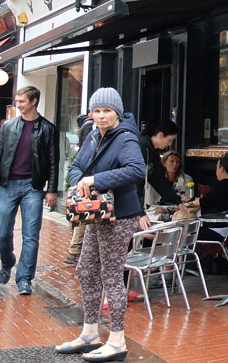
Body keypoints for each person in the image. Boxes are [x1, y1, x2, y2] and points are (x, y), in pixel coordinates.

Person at [56, 87, 147, 362]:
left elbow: (137, 170)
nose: (101, 115)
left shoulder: (126, 137)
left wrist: (96, 180)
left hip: (119, 216)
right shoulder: (94, 135)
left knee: (111, 276)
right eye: (96, 110)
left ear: (117, 112)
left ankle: (117, 340)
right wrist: (80, 180)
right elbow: (76, 166)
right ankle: (90, 333)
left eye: (107, 110)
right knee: (85, 269)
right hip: (97, 214)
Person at [0, 85, 59, 296]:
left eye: (22, 101)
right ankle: (7, 261)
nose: (18, 105)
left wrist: (51, 189)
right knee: (1, 233)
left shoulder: (47, 128)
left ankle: (25, 279)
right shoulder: (8, 126)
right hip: (7, 185)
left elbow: (53, 161)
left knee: (31, 235)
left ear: (34, 101)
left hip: (33, 187)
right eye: (17, 101)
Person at [175, 155, 228, 241]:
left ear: (222, 169)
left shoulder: (223, 185)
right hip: (227, 229)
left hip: (214, 229)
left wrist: (188, 201)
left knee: (176, 232)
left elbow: (202, 202)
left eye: (217, 167)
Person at [65, 113, 95, 266]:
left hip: (85, 177)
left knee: (83, 217)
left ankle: (75, 252)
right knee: (84, 217)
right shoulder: (90, 126)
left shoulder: (85, 126)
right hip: (88, 179)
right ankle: (74, 252)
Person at [139, 119, 180, 208]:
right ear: (161, 135)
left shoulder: (152, 151)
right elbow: (134, 182)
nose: (170, 144)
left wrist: (177, 201)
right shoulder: (141, 147)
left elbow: (158, 178)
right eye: (170, 140)